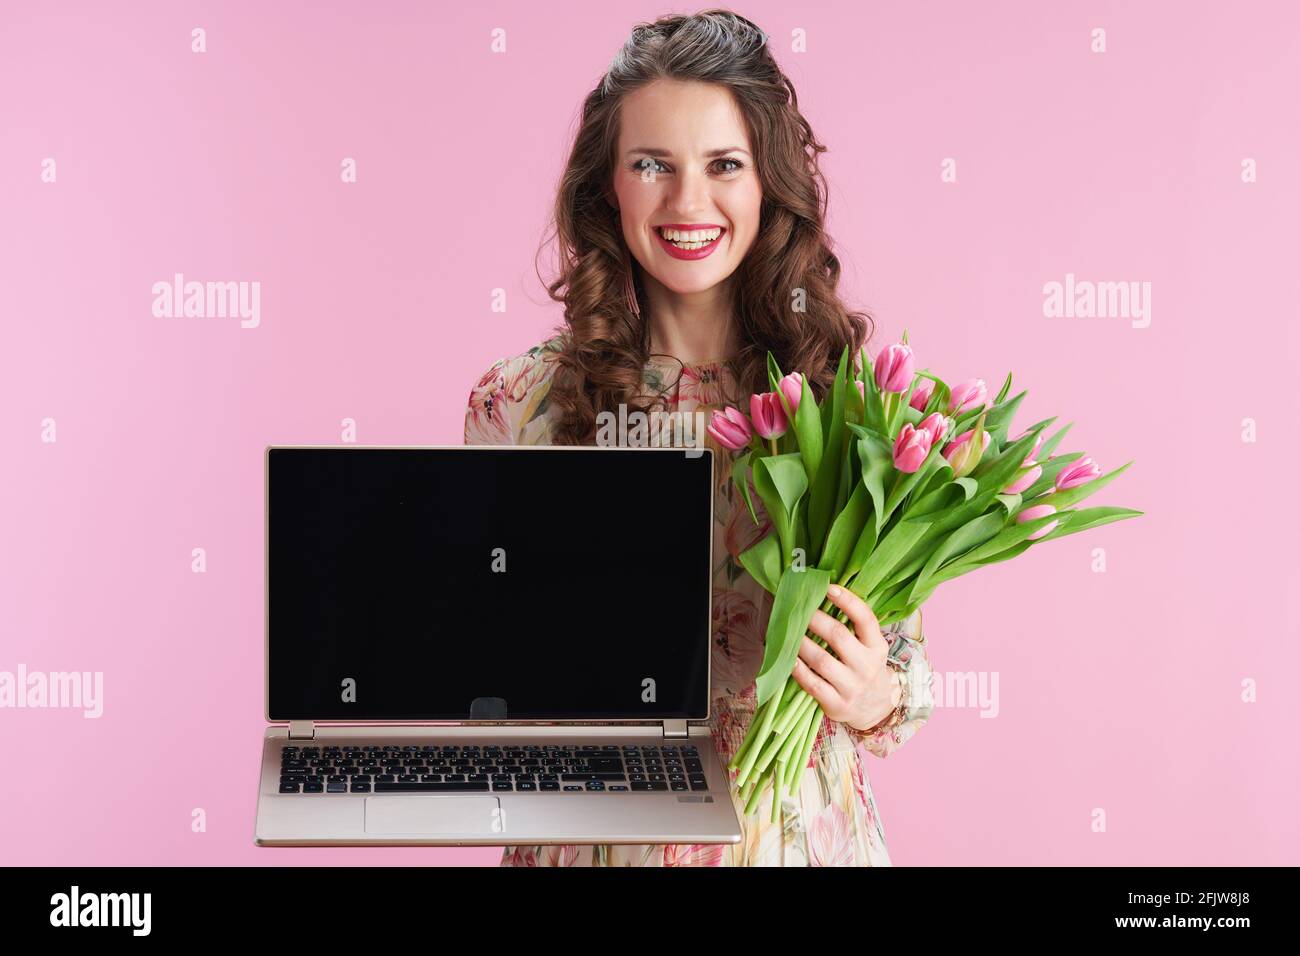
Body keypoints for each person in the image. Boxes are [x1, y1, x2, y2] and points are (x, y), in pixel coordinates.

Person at [463, 10, 933, 867]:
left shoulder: (846, 401)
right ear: (608, 184)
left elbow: (902, 671)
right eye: (652, 165)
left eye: (723, 165)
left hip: (795, 842)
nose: (688, 203)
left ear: (766, 184)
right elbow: (482, 670)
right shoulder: (518, 402)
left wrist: (872, 692)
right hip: (594, 843)